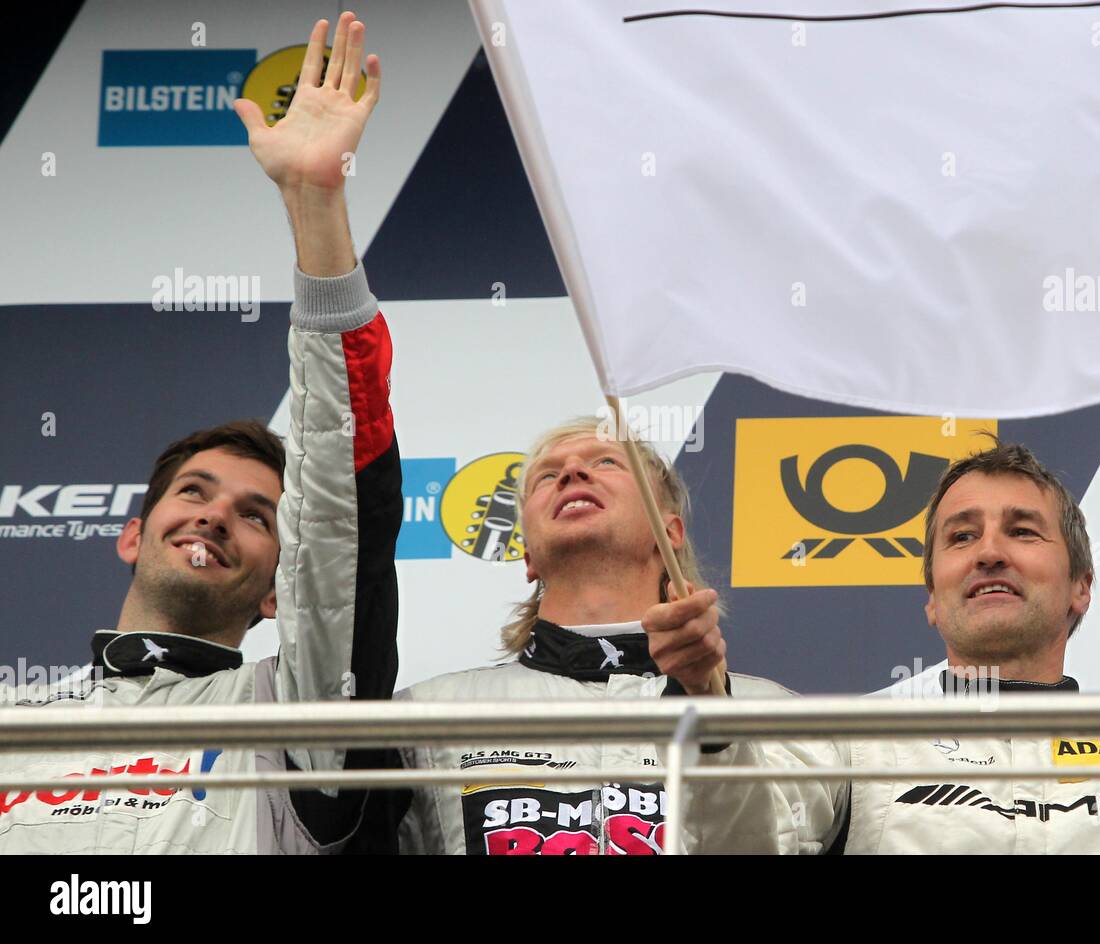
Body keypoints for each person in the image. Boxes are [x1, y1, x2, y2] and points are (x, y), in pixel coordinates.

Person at [0, 13, 400, 853]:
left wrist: (316, 206)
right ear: (131, 533)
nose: (216, 516)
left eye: (257, 515)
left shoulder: (294, 714)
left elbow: (339, 514)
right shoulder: (15, 723)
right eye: (194, 493)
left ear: (276, 591)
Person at [743, 439, 1100, 854]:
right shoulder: (847, 740)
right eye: (961, 536)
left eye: (1023, 531)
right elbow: (740, 843)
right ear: (932, 598)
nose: (989, 553)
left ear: (1081, 586)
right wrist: (711, 723)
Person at [352, 417, 799, 855]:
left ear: (669, 533)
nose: (572, 473)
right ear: (527, 556)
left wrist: (706, 709)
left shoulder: (787, 721)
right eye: (548, 475)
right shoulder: (428, 718)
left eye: (607, 462)